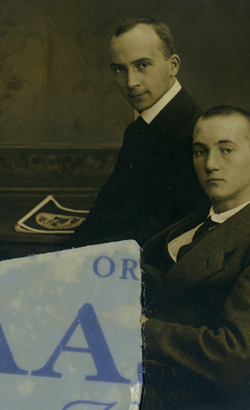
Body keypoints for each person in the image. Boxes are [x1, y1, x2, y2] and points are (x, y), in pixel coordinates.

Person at [140, 106, 250, 410]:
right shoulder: (201, 218)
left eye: (226, 150)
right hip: (157, 371)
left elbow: (232, 355)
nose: (210, 164)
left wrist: (142, 329)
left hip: (203, 405)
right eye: (200, 151)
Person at [69, 18, 206, 247]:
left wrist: (72, 253)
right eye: (119, 69)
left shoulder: (195, 134)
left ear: (173, 65)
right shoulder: (141, 126)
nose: (131, 82)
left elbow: (162, 234)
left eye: (142, 65)